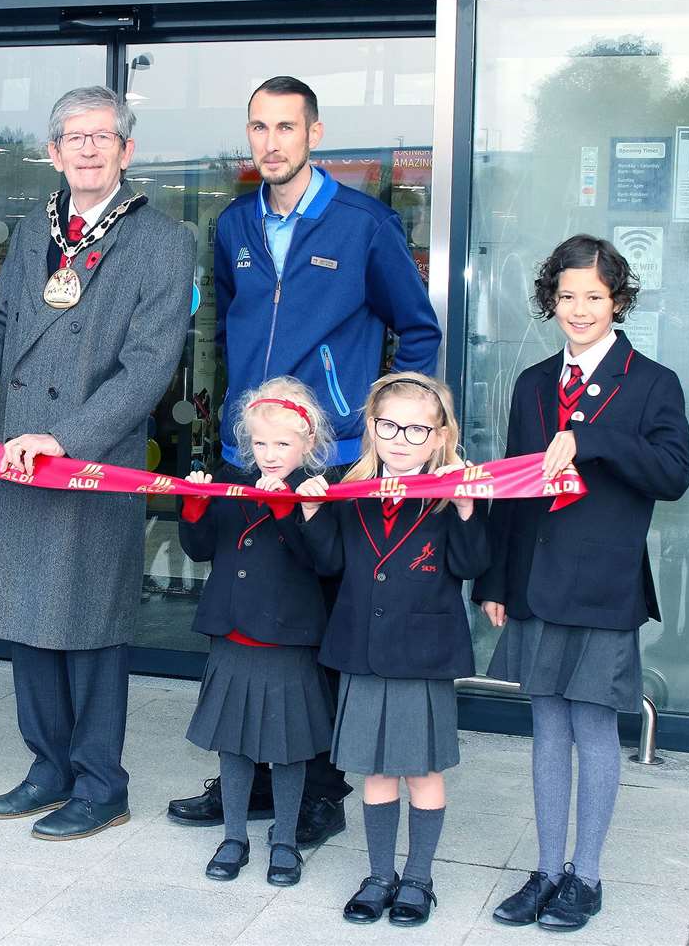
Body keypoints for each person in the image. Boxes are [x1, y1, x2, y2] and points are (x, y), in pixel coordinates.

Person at [169, 74, 443, 846]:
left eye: (286, 127)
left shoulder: (364, 224)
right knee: (247, 618)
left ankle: (318, 790)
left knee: (317, 629)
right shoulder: (232, 226)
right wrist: (232, 424)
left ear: (315, 134)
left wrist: (381, 429)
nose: (271, 142)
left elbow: (416, 332)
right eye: (258, 127)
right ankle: (249, 778)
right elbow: (229, 331)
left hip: (333, 465)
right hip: (246, 459)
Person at [0, 85, 195, 841]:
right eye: (72, 138)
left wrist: (67, 439)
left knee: (90, 624)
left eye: (101, 137)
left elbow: (149, 369)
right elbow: (5, 320)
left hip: (90, 461)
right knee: (25, 617)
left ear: (126, 151)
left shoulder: (164, 241)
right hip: (16, 456)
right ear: (52, 152)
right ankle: (48, 768)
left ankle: (101, 782)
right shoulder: (35, 229)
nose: (86, 148)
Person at [473, 235, 689, 932]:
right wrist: (496, 580)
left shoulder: (653, 381)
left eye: (593, 297)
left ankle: (585, 876)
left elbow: (673, 473)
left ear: (618, 300)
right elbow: (512, 483)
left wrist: (593, 437)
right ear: (551, 299)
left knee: (594, 727)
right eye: (566, 296)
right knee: (545, 728)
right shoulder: (535, 381)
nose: (578, 309)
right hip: (536, 579)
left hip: (603, 585)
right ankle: (545, 870)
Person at [308, 373, 489, 928]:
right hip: (363, 650)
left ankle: (418, 877)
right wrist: (313, 516)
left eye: (416, 429)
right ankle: (380, 874)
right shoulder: (346, 487)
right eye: (389, 426)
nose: (401, 439)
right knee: (376, 771)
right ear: (371, 429)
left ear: (439, 436)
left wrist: (463, 509)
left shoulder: (451, 494)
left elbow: (471, 564)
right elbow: (329, 564)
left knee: (421, 772)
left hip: (423, 652)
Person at [176, 377, 339, 888]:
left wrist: (291, 508)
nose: (269, 454)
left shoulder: (320, 488)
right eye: (261, 443)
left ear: (308, 443)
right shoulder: (232, 479)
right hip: (232, 635)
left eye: (283, 444)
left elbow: (326, 561)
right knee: (235, 746)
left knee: (289, 749)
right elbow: (201, 549)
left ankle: (285, 841)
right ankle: (234, 836)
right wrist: (196, 507)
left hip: (287, 639)